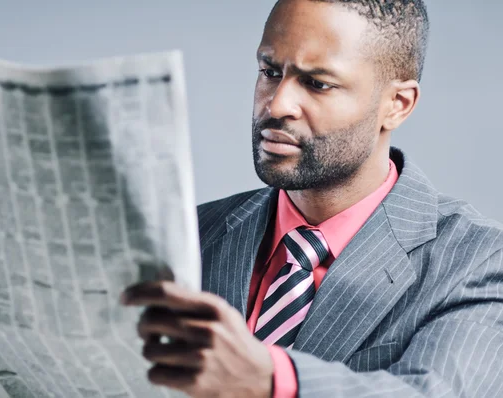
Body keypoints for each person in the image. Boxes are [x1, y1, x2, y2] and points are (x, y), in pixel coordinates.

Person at [120, 0, 503, 397]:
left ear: (397, 104)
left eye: (317, 83)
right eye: (270, 72)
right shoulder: (188, 234)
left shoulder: (479, 260)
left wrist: (269, 379)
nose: (277, 104)